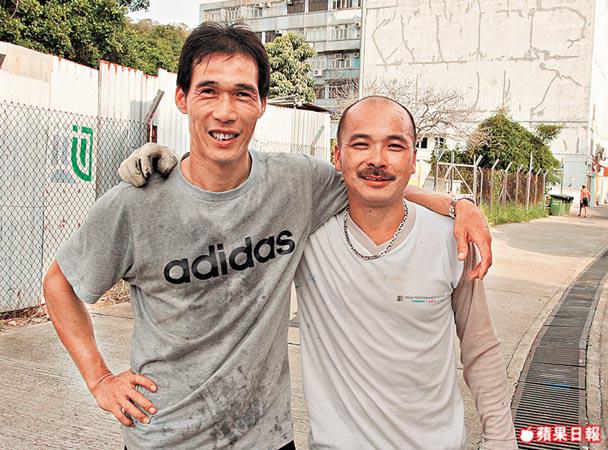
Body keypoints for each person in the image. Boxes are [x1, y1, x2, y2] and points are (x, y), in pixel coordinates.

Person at [43, 22, 491, 449]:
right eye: (208, 91)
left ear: (261, 104)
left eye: (242, 93)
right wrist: (99, 379)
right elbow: (60, 284)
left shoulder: (295, 183)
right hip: (165, 437)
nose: (225, 112)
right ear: (182, 98)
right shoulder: (135, 203)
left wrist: (459, 204)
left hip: (267, 437)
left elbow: (372, 180)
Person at [293, 96, 517, 449]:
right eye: (360, 144)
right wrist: (457, 202)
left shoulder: (451, 239)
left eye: (394, 146)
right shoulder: (305, 234)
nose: (377, 160)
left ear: (414, 160)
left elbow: (481, 347)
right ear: (337, 155)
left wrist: (501, 440)